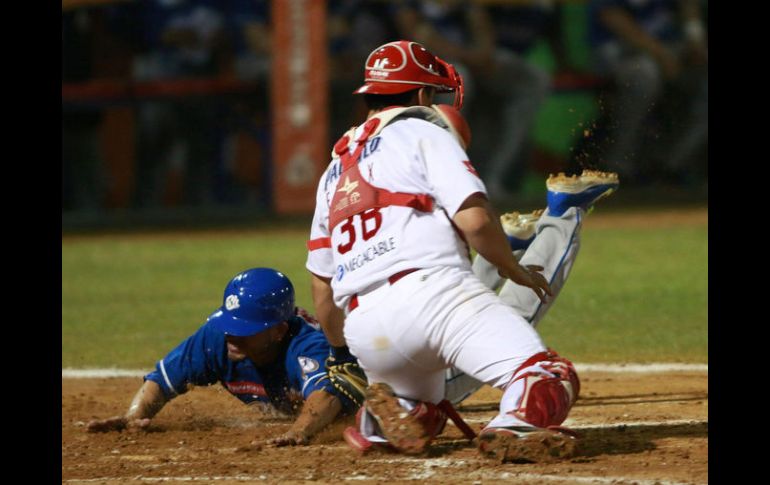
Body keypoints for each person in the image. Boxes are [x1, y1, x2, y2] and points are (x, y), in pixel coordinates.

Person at [306, 40, 619, 462]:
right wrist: (514, 269)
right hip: (433, 296)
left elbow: (323, 291)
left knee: (425, 404)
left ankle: (392, 415)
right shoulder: (423, 130)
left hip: (366, 327)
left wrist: (344, 351)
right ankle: (513, 427)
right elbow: (474, 219)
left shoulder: (332, 171)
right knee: (548, 377)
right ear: (421, 95)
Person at [86, 267, 359, 446]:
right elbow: (161, 379)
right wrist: (135, 416)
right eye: (230, 324)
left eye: (245, 329)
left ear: (278, 331)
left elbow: (326, 397)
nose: (232, 335)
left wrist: (297, 432)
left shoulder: (309, 346)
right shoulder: (217, 337)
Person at [587, 0, 708, 185]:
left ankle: (671, 166)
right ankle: (619, 168)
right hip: (619, 49)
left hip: (669, 46)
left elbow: (688, 5)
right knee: (644, 74)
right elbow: (611, 15)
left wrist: (695, 38)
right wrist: (660, 54)